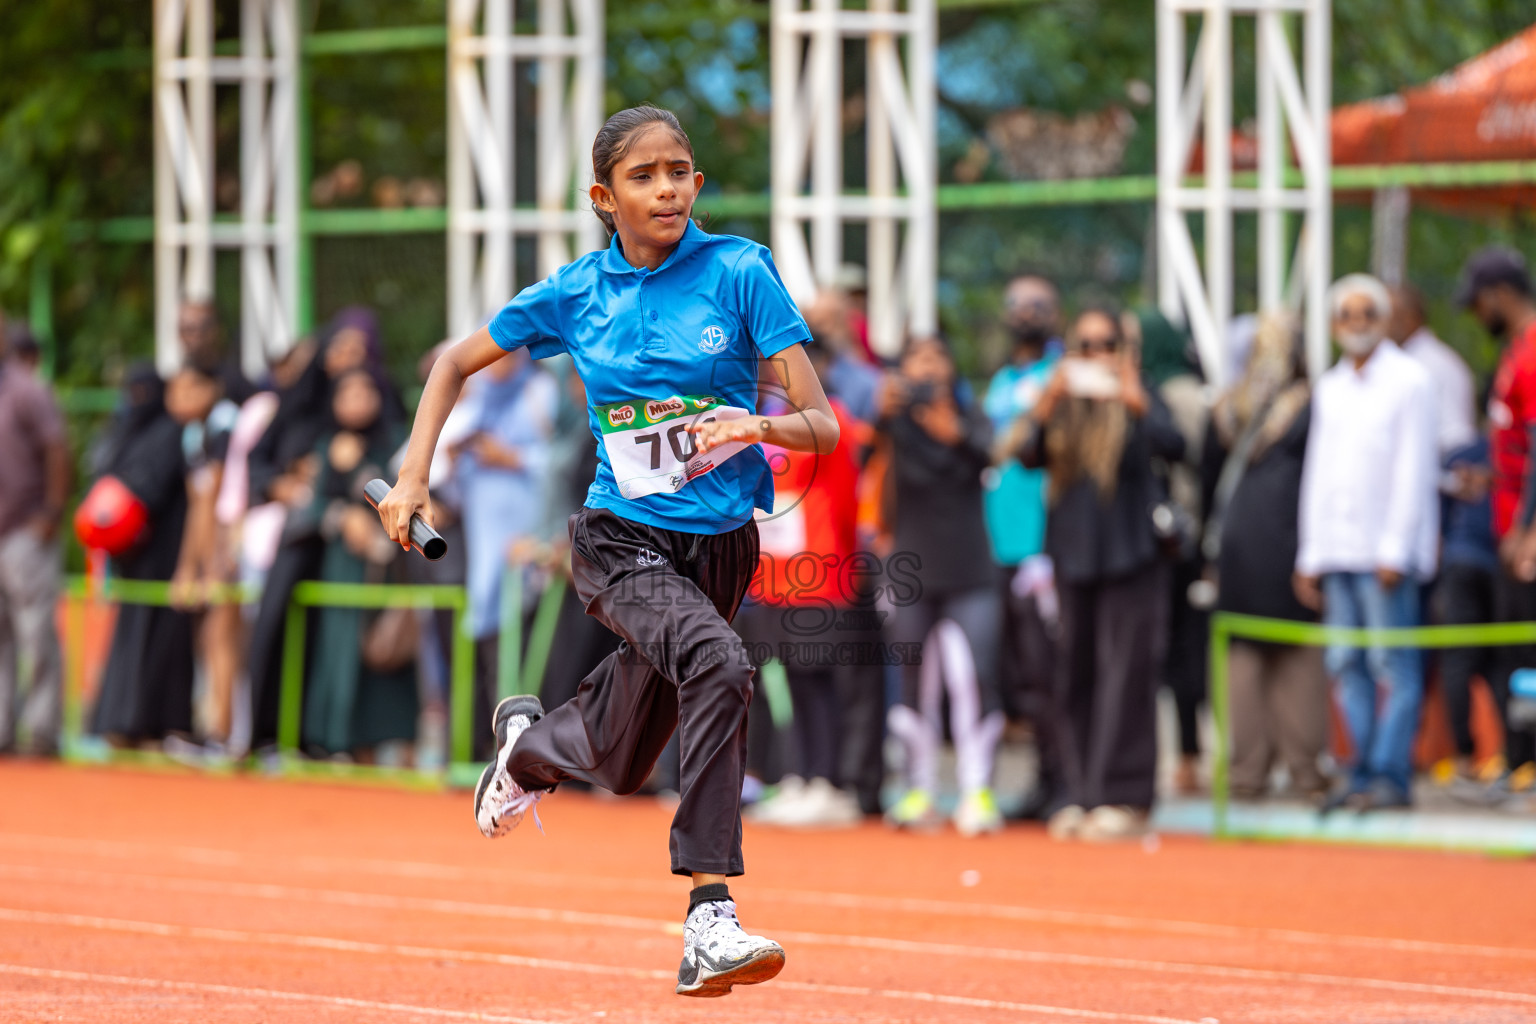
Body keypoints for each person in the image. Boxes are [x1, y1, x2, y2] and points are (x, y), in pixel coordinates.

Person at [376, 106, 839, 998]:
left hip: (721, 547)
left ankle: (524, 752)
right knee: (720, 662)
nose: (667, 189)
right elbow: (452, 364)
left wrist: (754, 423)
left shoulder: (742, 272)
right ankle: (710, 914)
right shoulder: (575, 292)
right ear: (603, 197)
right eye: (643, 176)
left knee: (623, 761)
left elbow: (821, 426)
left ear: (698, 182)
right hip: (618, 536)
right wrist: (412, 476)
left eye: (680, 171)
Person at [1018, 306, 1185, 841]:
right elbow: (1025, 455)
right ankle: (1081, 791)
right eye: (1085, 345)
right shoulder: (1062, 400)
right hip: (1073, 555)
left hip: (1132, 555)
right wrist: (1049, 400)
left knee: (1127, 674)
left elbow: (1176, 445)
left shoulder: (1140, 393)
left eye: (1106, 343)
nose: (1096, 355)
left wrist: (1133, 397)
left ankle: (1124, 795)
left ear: (1123, 348)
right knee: (1076, 672)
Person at [1296, 274, 1438, 812]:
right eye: (1346, 315)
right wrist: (1311, 552)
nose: (1356, 324)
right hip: (1338, 549)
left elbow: (1413, 470)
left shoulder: (1410, 381)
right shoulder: (1330, 387)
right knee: (1344, 663)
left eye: (1367, 314)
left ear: (1384, 321)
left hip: (1383, 553)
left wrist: (1395, 546)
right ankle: (1356, 773)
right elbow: (1319, 472)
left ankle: (1389, 775)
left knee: (1391, 664)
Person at [879, 334, 1005, 837]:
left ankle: (978, 791)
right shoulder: (892, 420)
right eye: (917, 360)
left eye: (936, 358)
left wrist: (953, 433)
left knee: (976, 675)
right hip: (913, 569)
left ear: (952, 369)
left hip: (970, 568)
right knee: (914, 681)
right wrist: (880, 413)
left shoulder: (973, 419)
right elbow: (856, 454)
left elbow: (992, 456)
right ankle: (919, 789)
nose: (927, 369)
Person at [743, 333, 867, 829]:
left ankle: (829, 782)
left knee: (820, 682)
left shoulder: (834, 420)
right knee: (790, 680)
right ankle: (800, 775)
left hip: (822, 574)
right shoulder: (771, 420)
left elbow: (845, 494)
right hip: (776, 575)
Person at [1202, 312, 1327, 800]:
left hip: (1274, 545)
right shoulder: (1287, 406)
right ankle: (1272, 771)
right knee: (1262, 657)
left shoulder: (1237, 408)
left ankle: (1274, 770)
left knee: (1277, 655)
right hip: (1260, 547)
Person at [302, 369, 417, 759]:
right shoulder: (326, 445)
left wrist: (356, 468)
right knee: (341, 653)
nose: (356, 401)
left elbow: (400, 492)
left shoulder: (396, 441)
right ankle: (343, 745)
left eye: (365, 392)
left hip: (387, 567)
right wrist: (341, 518)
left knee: (386, 651)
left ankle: (398, 747)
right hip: (341, 569)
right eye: (347, 394)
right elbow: (313, 504)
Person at [983, 275, 1063, 818]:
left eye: (1038, 304)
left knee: (1048, 668)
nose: (1026, 313)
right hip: (997, 543)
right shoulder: (1001, 380)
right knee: (1018, 674)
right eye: (1016, 303)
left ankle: (1062, 779)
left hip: (1042, 545)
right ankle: (1041, 779)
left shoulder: (1060, 376)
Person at [1460, 246, 1536, 800]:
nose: (1476, 314)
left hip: (1523, 536)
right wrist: (1490, 479)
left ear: (1500, 296)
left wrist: (1527, 529)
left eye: (1479, 303)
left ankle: (1529, 761)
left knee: (1527, 651)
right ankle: (1518, 758)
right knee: (1513, 652)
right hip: (1508, 524)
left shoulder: (1532, 351)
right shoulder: (1515, 350)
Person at [0, 324, 69, 756]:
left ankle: (43, 731)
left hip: (25, 531)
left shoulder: (27, 389)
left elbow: (57, 448)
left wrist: (51, 512)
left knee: (36, 633)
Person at [1389, 285, 1477, 457]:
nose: (1380, 325)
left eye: (1387, 316)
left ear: (1409, 318)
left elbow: (1456, 436)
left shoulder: (1435, 365)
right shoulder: (1407, 361)